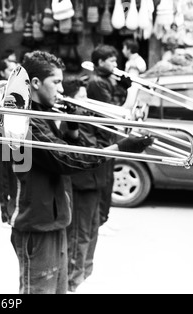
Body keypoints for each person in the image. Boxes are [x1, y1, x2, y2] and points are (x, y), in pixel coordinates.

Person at [8, 51, 153, 294]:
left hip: (54, 220)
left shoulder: (44, 116)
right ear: (35, 83)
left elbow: (62, 153)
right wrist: (119, 148)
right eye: (56, 82)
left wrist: (72, 131)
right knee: (39, 290)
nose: (61, 89)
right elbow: (64, 159)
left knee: (58, 290)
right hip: (36, 224)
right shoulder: (26, 121)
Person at [60, 76, 152, 293]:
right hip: (81, 184)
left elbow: (106, 141)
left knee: (92, 230)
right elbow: (88, 154)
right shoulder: (70, 123)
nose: (86, 101)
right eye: (81, 97)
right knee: (79, 235)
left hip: (96, 182)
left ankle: (84, 273)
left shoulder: (90, 119)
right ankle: (73, 279)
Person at [86, 44, 133, 235]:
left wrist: (122, 86)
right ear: (100, 62)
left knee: (108, 179)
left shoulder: (107, 79)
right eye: (111, 61)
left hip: (109, 134)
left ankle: (103, 218)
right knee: (102, 179)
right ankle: (99, 221)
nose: (115, 64)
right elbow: (114, 110)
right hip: (101, 135)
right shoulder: (97, 82)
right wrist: (128, 92)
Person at [0, 58, 19, 224]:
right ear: (3, 73)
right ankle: (5, 211)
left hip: (15, 134)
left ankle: (12, 208)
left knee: (15, 173)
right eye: (10, 69)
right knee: (4, 174)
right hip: (1, 134)